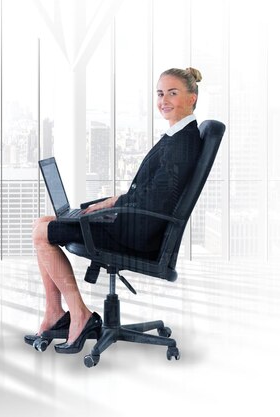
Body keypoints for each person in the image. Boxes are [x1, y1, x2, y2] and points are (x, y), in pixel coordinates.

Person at [26, 67, 203, 353]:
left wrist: (114, 207)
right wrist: (111, 202)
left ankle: (78, 315)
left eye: (173, 93)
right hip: (134, 223)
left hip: (138, 234)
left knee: (42, 233)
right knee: (45, 222)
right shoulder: (178, 135)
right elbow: (151, 191)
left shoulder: (182, 143)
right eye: (160, 93)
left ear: (192, 98)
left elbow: (157, 202)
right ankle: (54, 314)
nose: (164, 100)